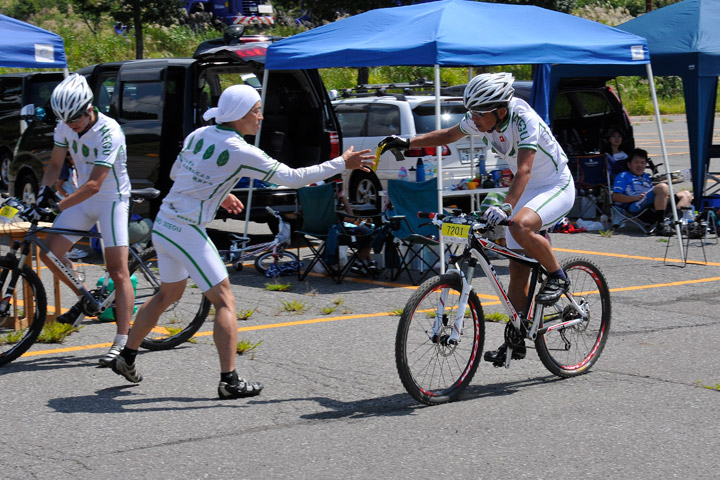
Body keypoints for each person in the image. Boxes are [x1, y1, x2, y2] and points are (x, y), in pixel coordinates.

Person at [109, 84, 375, 399]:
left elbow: (177, 172)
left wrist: (219, 192)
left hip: (165, 224)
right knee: (225, 301)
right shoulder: (240, 150)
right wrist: (342, 163)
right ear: (238, 115)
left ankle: (126, 356)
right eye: (256, 110)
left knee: (168, 293)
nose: (261, 117)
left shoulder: (199, 134)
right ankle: (229, 381)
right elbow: (292, 178)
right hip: (186, 229)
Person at [378, 72, 575, 365]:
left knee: (520, 226)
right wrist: (408, 142)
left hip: (553, 185)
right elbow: (449, 135)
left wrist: (507, 207)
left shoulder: (523, 119)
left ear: (500, 110)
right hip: (526, 190)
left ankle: (558, 277)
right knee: (517, 265)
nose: (474, 119)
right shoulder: (485, 115)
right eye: (471, 112)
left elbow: (524, 170)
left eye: (479, 114)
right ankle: (516, 339)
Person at [37, 73, 133, 366]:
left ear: (90, 107)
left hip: (111, 200)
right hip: (84, 198)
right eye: (65, 120)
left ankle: (123, 341)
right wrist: (43, 193)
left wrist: (57, 205)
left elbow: (95, 183)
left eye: (76, 118)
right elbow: (55, 164)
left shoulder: (109, 132)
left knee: (117, 270)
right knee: (49, 253)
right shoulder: (65, 126)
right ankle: (85, 298)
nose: (71, 124)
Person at [612, 148, 693, 235]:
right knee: (662, 187)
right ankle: (660, 224)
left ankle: (674, 221)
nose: (639, 165)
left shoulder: (646, 176)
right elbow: (615, 197)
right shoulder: (623, 176)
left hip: (651, 204)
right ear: (629, 164)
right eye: (636, 162)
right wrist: (634, 198)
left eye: (642, 163)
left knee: (686, 194)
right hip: (636, 205)